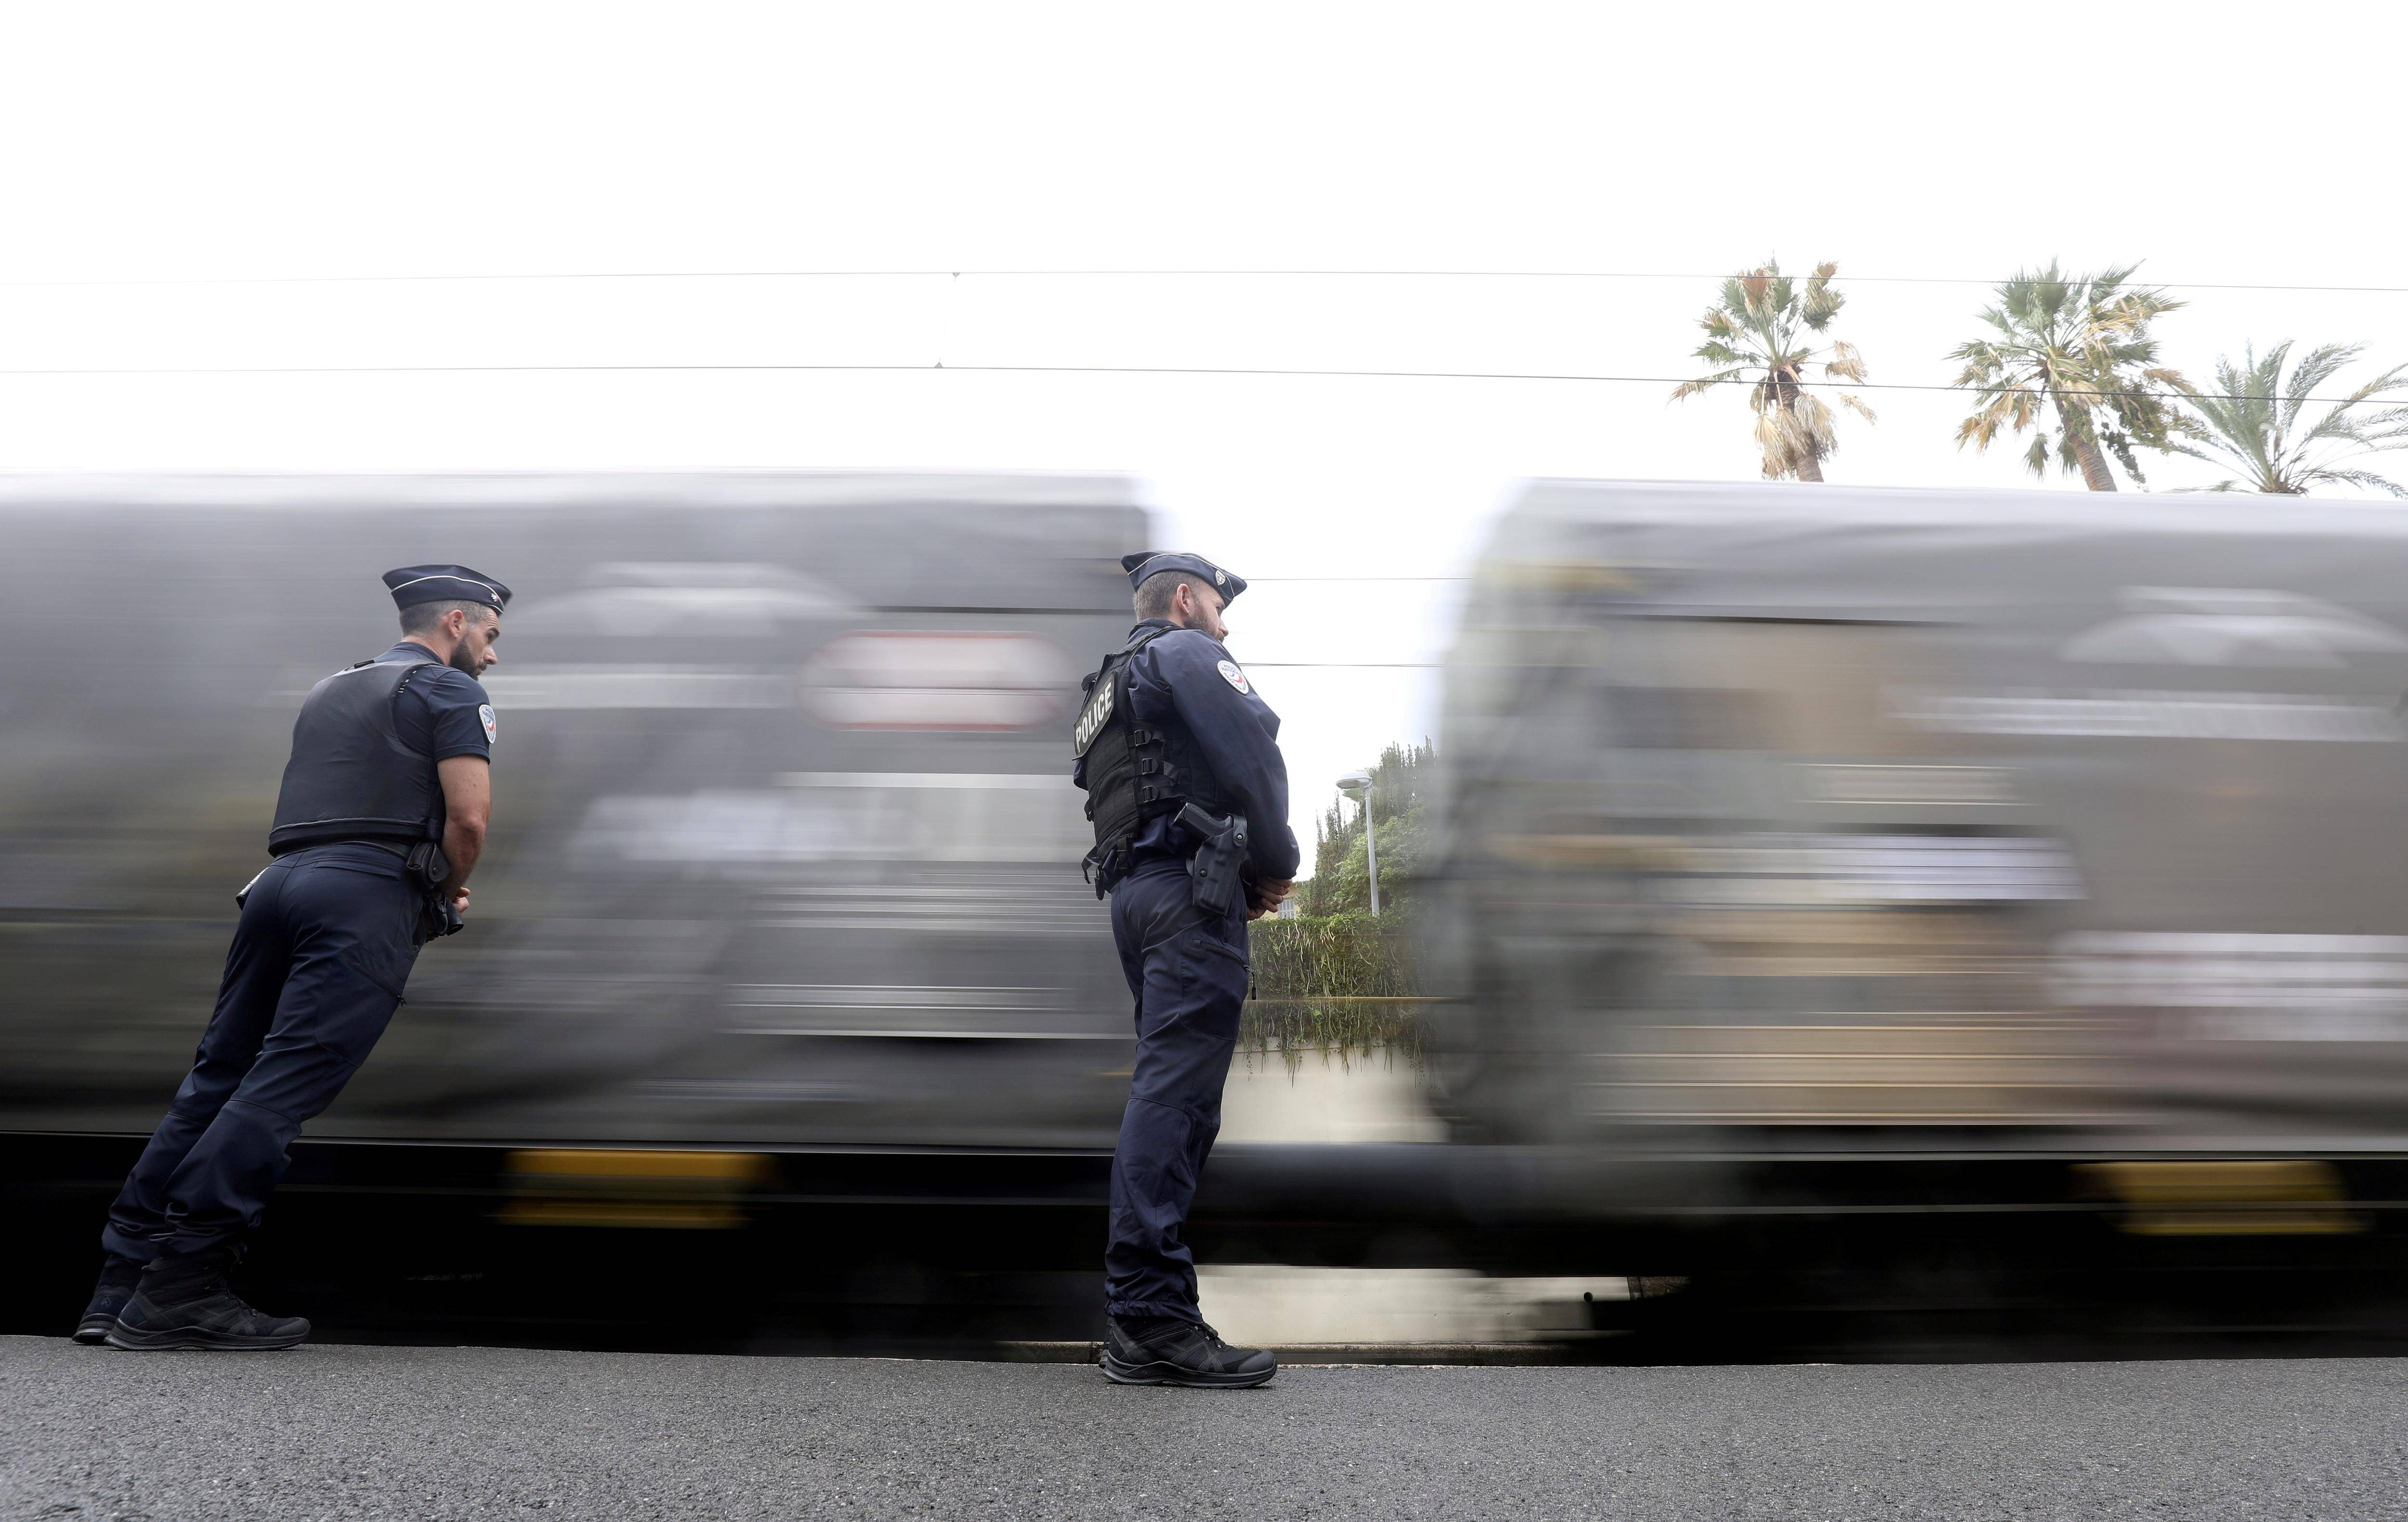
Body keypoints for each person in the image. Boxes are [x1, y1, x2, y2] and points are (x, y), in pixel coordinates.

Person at [76, 564, 509, 1351]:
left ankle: (119, 1285)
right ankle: (182, 1288)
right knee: (280, 1086)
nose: (492, 653)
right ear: (454, 621)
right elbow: (469, 820)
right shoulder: (450, 692)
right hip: (364, 896)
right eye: (489, 634)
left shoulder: (332, 688)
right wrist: (446, 894)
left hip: (278, 886)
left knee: (218, 1076)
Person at [1072, 550, 1298, 1387]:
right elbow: (1253, 754)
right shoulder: (1185, 651)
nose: (1226, 621)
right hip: (1189, 898)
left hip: (1138, 898)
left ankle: (1149, 1311)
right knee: (1175, 1098)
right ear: (1182, 598)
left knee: (1164, 1091)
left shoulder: (1107, 689)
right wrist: (1278, 862)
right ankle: (1150, 1318)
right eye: (1218, 603)